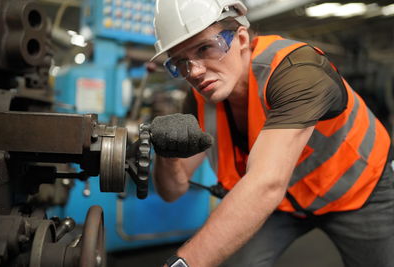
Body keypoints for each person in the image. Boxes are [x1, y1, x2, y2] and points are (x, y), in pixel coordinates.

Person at [149, 0, 394, 266]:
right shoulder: (199, 99)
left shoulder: (297, 71)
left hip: (357, 190)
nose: (194, 72)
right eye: (180, 63)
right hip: (281, 206)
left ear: (241, 38)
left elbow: (266, 184)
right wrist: (168, 154)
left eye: (206, 48)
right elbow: (172, 191)